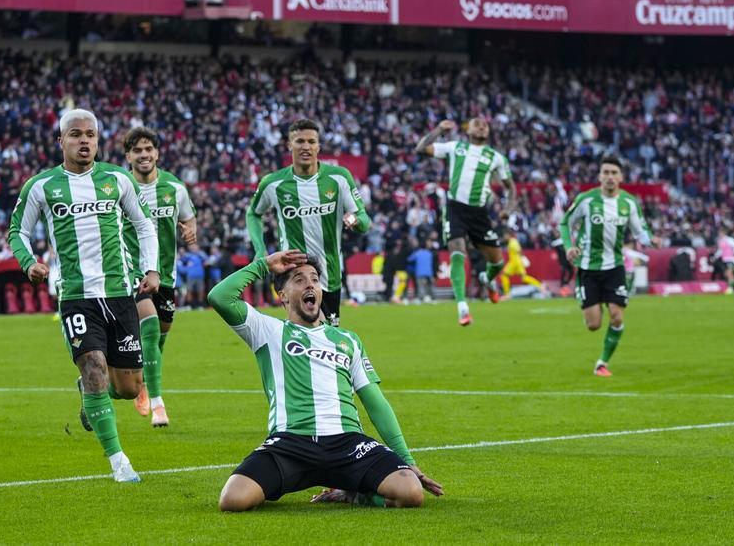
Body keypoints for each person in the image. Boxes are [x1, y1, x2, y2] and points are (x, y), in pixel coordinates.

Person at [208, 250, 443, 511]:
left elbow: (375, 402)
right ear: (283, 295)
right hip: (290, 443)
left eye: (314, 279)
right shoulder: (267, 330)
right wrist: (264, 265)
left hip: (347, 443)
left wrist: (407, 460)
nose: (310, 285)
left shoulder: (348, 340)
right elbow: (220, 297)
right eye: (299, 280)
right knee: (233, 500)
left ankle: (353, 495)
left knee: (410, 492)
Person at [6, 108, 160, 483]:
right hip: (76, 297)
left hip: (120, 293)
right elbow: (17, 232)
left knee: (129, 388)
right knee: (93, 368)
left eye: (90, 134)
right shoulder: (41, 186)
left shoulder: (117, 180)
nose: (84, 140)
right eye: (76, 134)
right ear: (61, 141)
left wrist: (152, 269)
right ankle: (119, 463)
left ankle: (91, 393)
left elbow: (144, 225)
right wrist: (29, 263)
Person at [247, 119, 372, 327]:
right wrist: (260, 249)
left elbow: (365, 221)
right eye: (300, 141)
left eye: (311, 141)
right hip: (292, 272)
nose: (306, 146)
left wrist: (355, 219)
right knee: (303, 333)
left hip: (330, 274)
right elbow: (253, 213)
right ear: (289, 145)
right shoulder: (273, 183)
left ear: (318, 146)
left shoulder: (339, 178)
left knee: (329, 336)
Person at [122, 126, 198, 428]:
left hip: (166, 275)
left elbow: (189, 217)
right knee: (151, 327)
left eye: (148, 149)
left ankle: (137, 383)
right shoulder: (120, 186)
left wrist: (190, 231)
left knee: (158, 340)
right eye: (137, 150)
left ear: (157, 153)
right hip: (132, 272)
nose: (144, 155)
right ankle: (158, 404)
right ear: (128, 156)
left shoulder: (175, 188)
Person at [415, 118, 517, 326]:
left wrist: (507, 210)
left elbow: (511, 188)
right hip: (455, 209)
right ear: (467, 130)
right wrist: (439, 129)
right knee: (457, 252)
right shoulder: (455, 148)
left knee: (497, 262)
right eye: (476, 124)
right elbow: (421, 148)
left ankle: (487, 279)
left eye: (485, 125)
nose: (481, 126)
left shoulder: (497, 157)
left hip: (479, 214)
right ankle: (462, 307)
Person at [560, 156, 655, 378]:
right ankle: (592, 303)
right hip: (588, 267)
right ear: (599, 176)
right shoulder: (586, 200)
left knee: (617, 316)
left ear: (621, 177)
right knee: (593, 324)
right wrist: (568, 246)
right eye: (606, 172)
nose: (610, 177)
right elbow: (565, 223)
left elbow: (640, 231)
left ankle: (602, 363)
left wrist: (652, 239)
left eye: (614, 173)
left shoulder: (629, 203)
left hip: (615, 267)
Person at [499, 229, 545, 299]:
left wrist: (523, 258)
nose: (504, 237)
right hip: (515, 262)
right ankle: (540, 286)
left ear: (509, 235)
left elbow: (519, 250)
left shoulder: (513, 242)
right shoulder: (512, 241)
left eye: (505, 235)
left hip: (515, 262)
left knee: (505, 275)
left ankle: (507, 294)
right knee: (523, 278)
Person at [716, 228, 734, 294]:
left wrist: (732, 253)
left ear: (724, 233)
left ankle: (730, 288)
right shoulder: (720, 241)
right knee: (728, 274)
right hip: (724, 260)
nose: (719, 234)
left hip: (731, 259)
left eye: (720, 233)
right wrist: (715, 256)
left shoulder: (729, 240)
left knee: (729, 273)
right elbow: (720, 250)